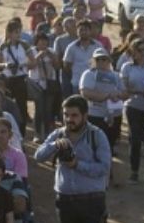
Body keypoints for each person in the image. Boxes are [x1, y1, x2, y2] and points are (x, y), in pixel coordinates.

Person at [35, 95, 111, 223]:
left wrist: (76, 164)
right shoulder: (58, 134)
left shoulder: (97, 135)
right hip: (65, 202)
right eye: (66, 115)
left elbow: (104, 168)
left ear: (85, 115)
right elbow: (38, 156)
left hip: (91, 201)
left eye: (74, 115)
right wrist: (55, 145)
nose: (69, 119)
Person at [120, 40, 144, 183]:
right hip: (133, 106)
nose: (142, 53)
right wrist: (137, 91)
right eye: (139, 50)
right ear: (133, 52)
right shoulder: (127, 67)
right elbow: (123, 89)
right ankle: (134, 171)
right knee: (135, 139)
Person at [0, 20, 35, 134]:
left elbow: (33, 62)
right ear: (9, 33)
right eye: (16, 32)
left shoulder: (24, 45)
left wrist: (22, 65)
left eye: (19, 32)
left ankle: (21, 132)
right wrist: (6, 65)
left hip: (20, 78)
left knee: (21, 106)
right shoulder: (3, 46)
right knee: (6, 105)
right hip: (8, 78)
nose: (18, 35)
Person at [62, 19, 102, 97]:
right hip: (77, 83)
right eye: (81, 30)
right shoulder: (71, 47)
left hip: (93, 84)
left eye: (86, 30)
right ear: (77, 32)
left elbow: (103, 63)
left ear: (90, 31)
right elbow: (66, 66)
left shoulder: (98, 46)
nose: (83, 32)